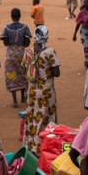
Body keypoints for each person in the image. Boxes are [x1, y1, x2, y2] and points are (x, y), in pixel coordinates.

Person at [22, 26, 62, 155]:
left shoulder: (28, 51)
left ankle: (31, 143)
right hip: (46, 91)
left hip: (33, 90)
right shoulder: (49, 52)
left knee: (33, 115)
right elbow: (57, 73)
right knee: (46, 116)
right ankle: (42, 144)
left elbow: (25, 69)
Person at [0, 8, 31, 107]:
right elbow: (27, 42)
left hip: (10, 54)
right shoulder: (25, 27)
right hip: (22, 53)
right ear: (20, 16)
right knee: (23, 73)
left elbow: (5, 42)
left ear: (11, 16)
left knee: (11, 75)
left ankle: (14, 101)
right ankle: (23, 96)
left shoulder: (6, 28)